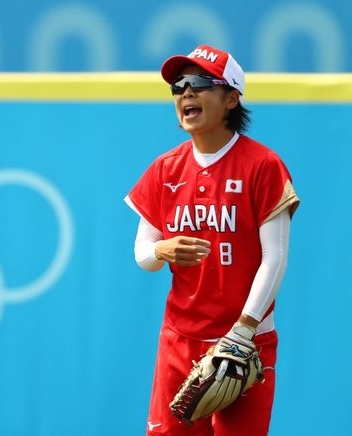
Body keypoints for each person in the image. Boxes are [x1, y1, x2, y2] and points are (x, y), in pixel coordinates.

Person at [124, 44, 299, 435]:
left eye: (200, 82)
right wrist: (159, 249)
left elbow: (275, 256)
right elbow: (143, 254)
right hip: (179, 340)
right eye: (178, 86)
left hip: (245, 342)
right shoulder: (164, 169)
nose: (186, 92)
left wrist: (243, 331)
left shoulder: (263, 165)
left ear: (232, 98)